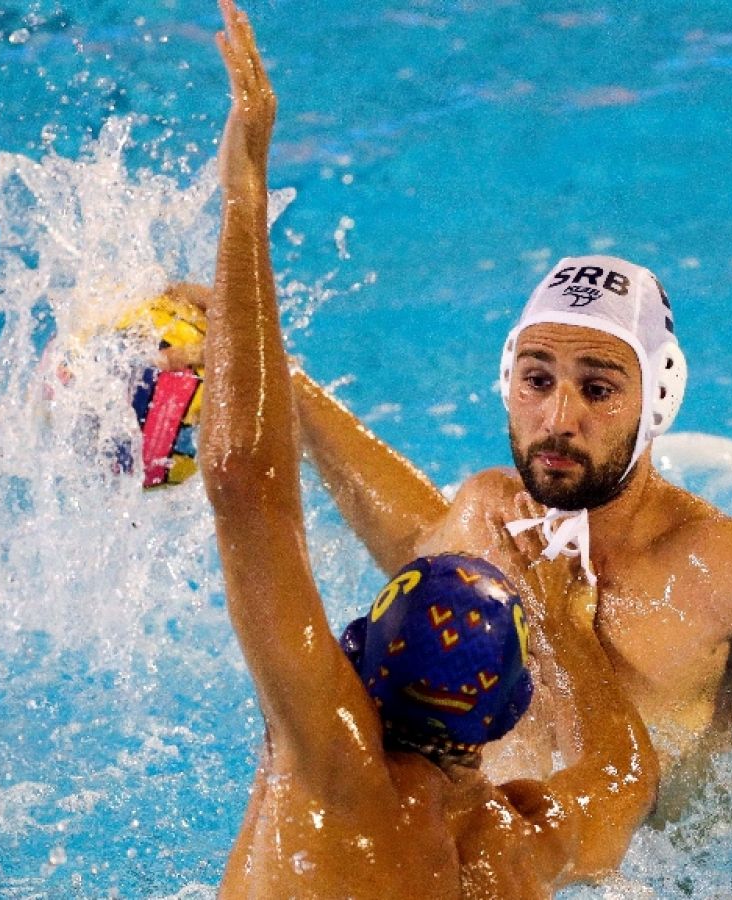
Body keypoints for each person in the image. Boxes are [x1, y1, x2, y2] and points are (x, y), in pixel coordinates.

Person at [200, 2, 658, 895]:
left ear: (362, 667)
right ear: (510, 711)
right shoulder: (519, 847)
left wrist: (244, 198)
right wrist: (565, 629)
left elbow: (244, 482)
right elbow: (622, 778)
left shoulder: (328, 765)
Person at [288, 264, 732, 815]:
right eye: (536, 380)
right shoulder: (488, 517)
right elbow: (417, 542)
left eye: (598, 390)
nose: (557, 419)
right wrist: (281, 380)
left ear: (657, 398)